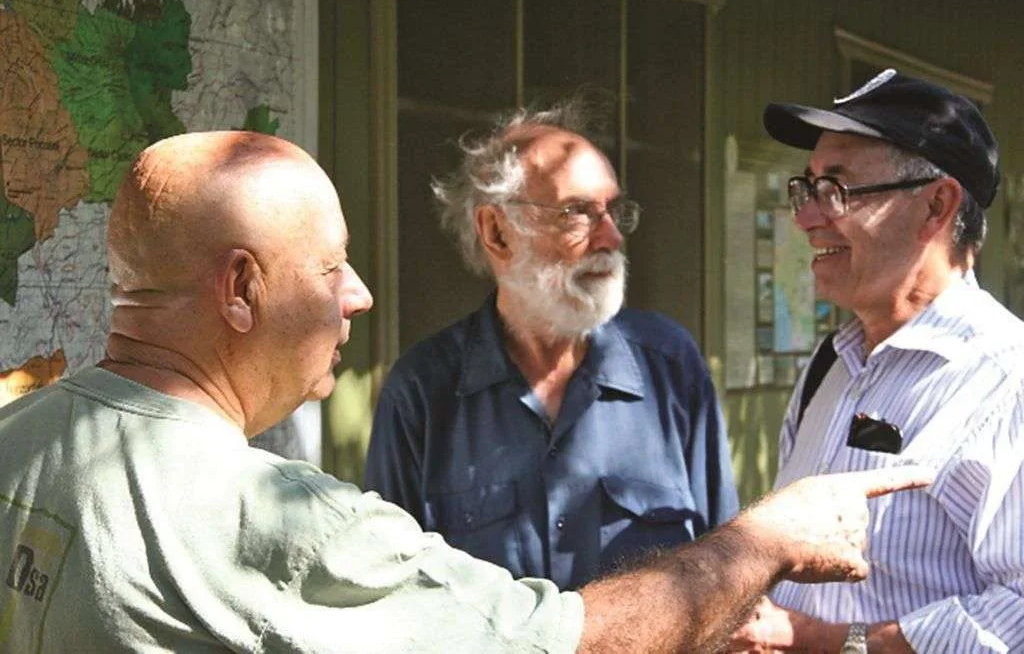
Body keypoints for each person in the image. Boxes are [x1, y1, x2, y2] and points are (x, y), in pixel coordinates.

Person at [0, 130, 930, 653]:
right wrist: (768, 537)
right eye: (331, 268)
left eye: (617, 211)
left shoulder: (20, 442)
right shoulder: (300, 509)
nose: (358, 293)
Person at [364, 102, 738, 590]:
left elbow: (725, 572)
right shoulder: (423, 391)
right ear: (496, 231)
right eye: (577, 212)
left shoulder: (671, 367)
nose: (612, 236)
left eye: (612, 210)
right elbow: (389, 597)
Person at [729, 70, 1024, 653]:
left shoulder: (1006, 379)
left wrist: (823, 641)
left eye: (836, 191)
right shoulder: (830, 363)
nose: (806, 218)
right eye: (806, 188)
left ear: (936, 206)